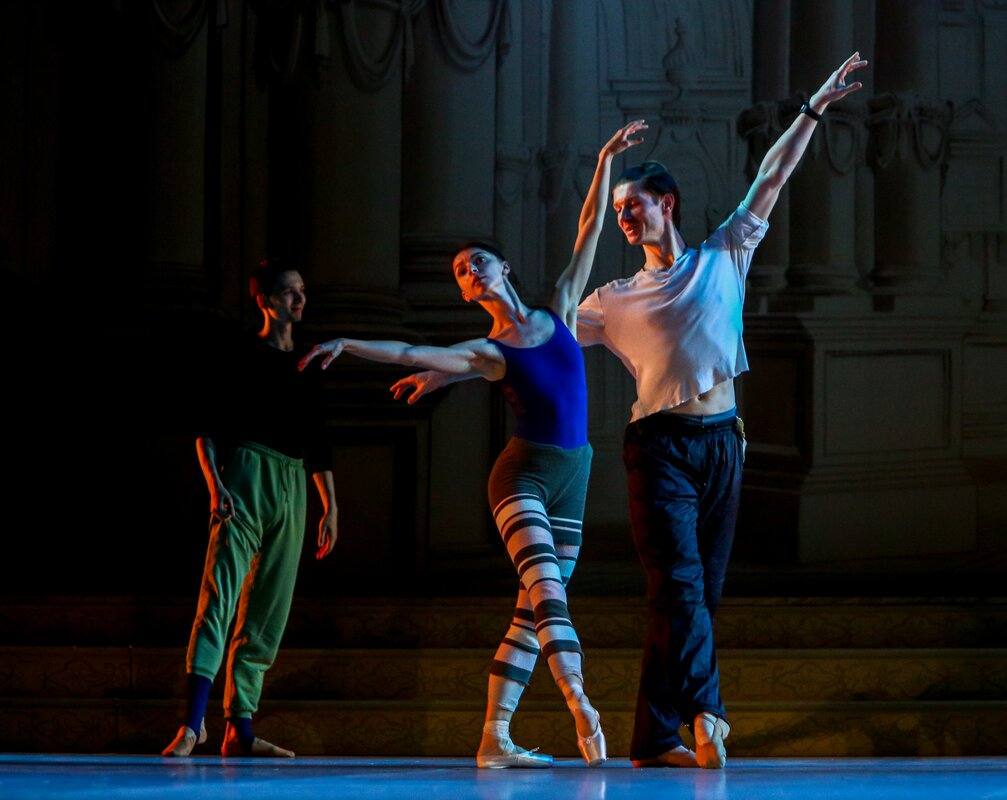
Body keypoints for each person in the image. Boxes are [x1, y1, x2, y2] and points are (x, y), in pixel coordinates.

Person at [394, 53, 868, 769]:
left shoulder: (725, 255)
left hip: (724, 443)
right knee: (679, 587)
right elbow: (530, 343)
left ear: (666, 203)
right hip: (658, 447)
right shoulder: (610, 300)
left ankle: (654, 737)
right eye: (616, 210)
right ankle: (708, 714)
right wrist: (444, 372)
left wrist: (813, 109)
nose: (622, 217)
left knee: (696, 596)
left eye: (632, 205)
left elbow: (772, 177)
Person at [298, 120, 650, 768]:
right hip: (522, 479)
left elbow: (590, 228)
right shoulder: (488, 351)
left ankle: (494, 737)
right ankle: (581, 705)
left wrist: (604, 157)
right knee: (549, 594)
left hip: (574, 476)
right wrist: (348, 342)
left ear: (501, 267)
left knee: (530, 613)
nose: (469, 271)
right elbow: (412, 350)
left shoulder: (559, 310)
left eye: (476, 261)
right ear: (465, 292)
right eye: (460, 272)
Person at [162, 258, 339, 759]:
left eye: (302, 290)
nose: (300, 300)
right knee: (219, 597)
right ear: (265, 300)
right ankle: (192, 725)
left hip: (293, 482)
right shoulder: (239, 353)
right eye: (289, 292)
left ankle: (239, 727)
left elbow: (317, 440)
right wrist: (216, 486)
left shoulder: (308, 360)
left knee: (268, 610)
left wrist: (330, 506)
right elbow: (206, 429)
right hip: (245, 474)